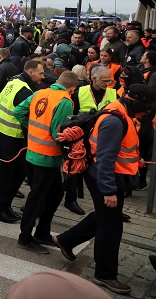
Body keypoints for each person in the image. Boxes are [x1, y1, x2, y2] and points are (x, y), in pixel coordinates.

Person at [54, 85, 156, 296]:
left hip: (105, 176)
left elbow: (117, 150)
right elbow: (105, 158)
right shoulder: (114, 120)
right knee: (111, 226)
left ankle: (67, 240)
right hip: (105, 178)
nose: (147, 112)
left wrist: (136, 160)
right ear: (135, 100)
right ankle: (105, 274)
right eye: (146, 108)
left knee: (106, 216)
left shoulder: (121, 111)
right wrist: (108, 190)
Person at [14, 71, 79, 254]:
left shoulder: (40, 92)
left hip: (33, 152)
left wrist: (31, 130)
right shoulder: (65, 101)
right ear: (72, 89)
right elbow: (58, 134)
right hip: (47, 157)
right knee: (37, 199)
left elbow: (19, 111)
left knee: (54, 194)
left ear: (58, 82)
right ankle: (25, 238)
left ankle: (42, 233)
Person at [0, 59, 45, 223]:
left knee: (17, 173)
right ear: (31, 72)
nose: (42, 76)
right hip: (13, 139)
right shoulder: (25, 90)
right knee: (9, 176)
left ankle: (5, 206)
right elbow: (24, 117)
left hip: (4, 135)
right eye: (40, 73)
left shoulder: (14, 81)